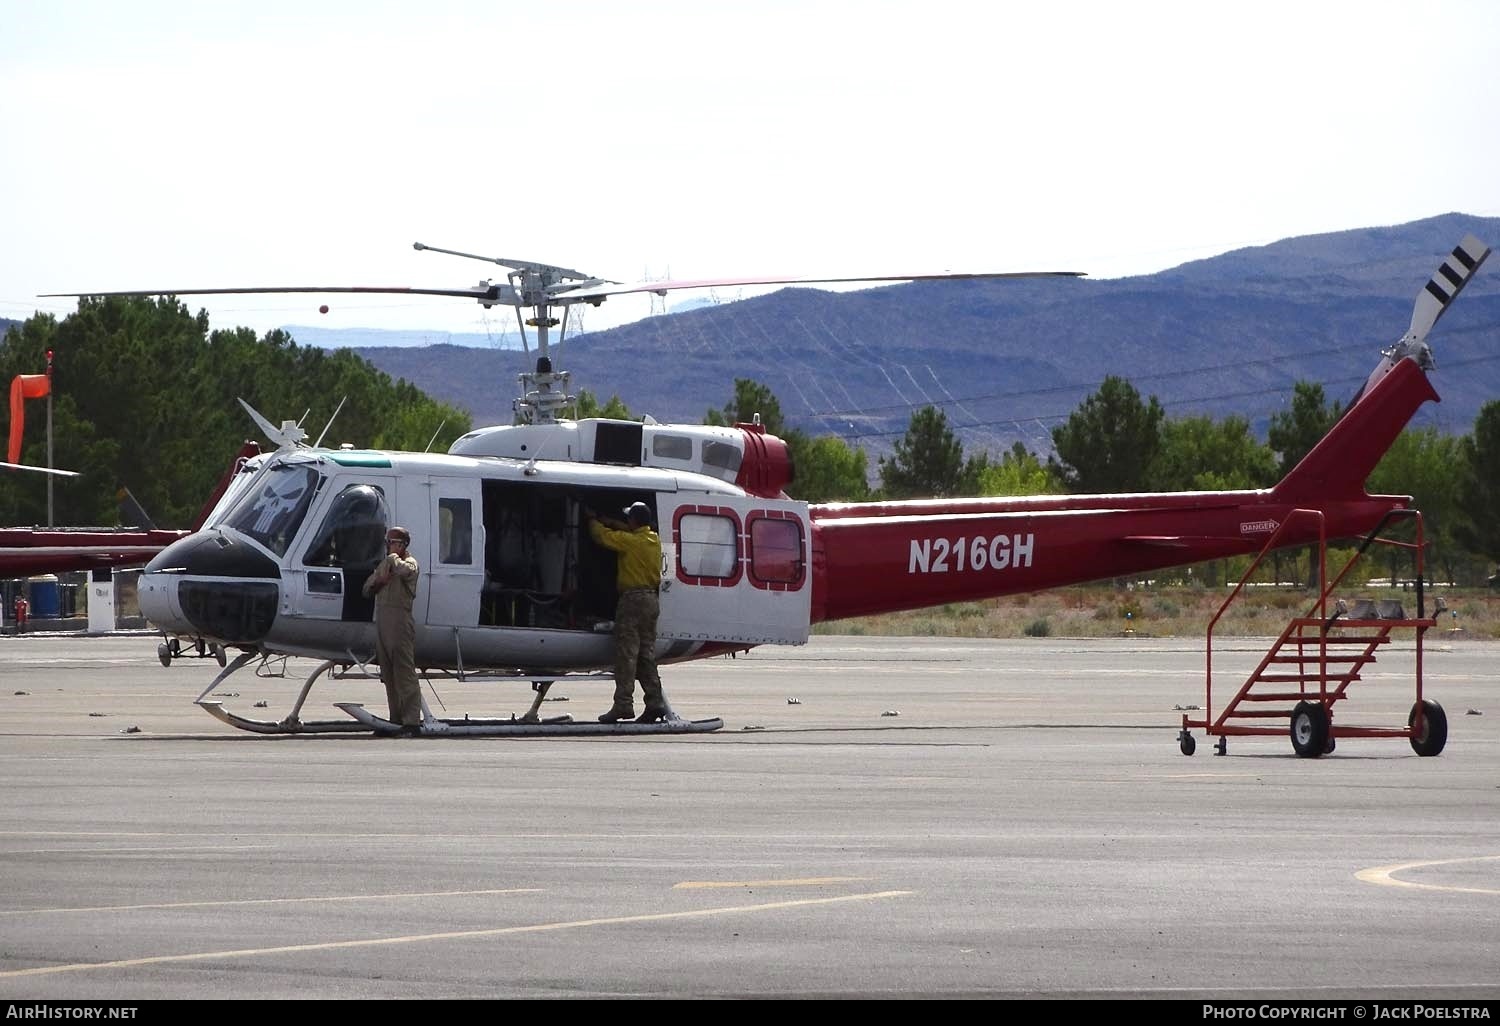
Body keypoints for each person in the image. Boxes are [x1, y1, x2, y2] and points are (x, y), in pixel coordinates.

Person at [584, 501, 669, 723]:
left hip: (632, 601)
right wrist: (611, 521)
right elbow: (627, 532)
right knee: (646, 655)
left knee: (626, 654)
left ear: (633, 521)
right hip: (651, 600)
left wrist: (592, 520)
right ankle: (655, 702)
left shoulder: (630, 543)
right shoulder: (653, 539)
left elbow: (602, 537)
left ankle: (623, 704)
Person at [362, 526, 422, 736]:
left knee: (404, 672)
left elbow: (404, 571)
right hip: (383, 623)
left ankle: (412, 721)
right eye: (388, 543)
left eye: (392, 543)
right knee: (388, 674)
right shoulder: (385, 564)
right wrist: (379, 582)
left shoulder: (409, 563)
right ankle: (395, 719)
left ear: (402, 545)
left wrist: (393, 558)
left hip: (400, 622)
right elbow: (367, 589)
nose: (388, 546)